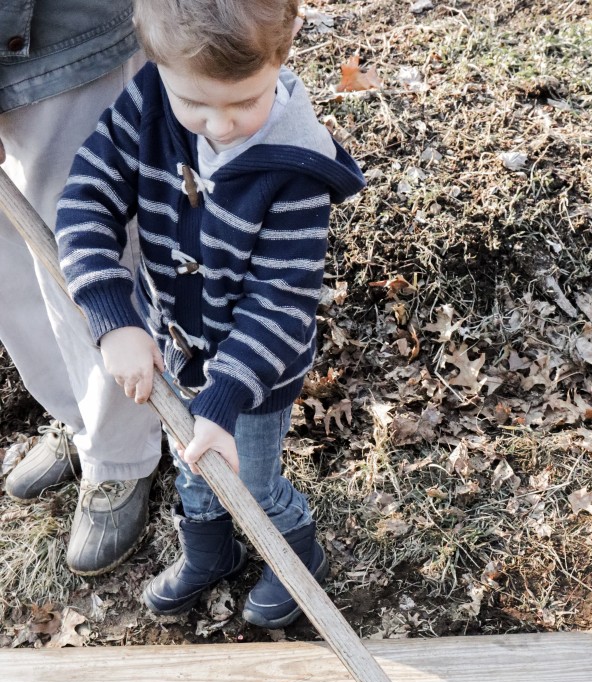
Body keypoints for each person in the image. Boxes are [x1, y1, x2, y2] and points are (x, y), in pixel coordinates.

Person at [56, 0, 365, 628]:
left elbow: (278, 302)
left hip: (251, 377)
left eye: (243, 104)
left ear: (285, 48)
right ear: (154, 59)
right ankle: (211, 551)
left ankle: (297, 556)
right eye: (195, 105)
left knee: (246, 475)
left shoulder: (294, 172)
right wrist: (114, 316)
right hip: (173, 350)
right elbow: (87, 195)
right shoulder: (149, 102)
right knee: (190, 463)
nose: (220, 127)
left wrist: (221, 401)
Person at [0, 1, 161, 575]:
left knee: (84, 231)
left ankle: (119, 453)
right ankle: (77, 414)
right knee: (10, 250)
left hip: (60, 28)